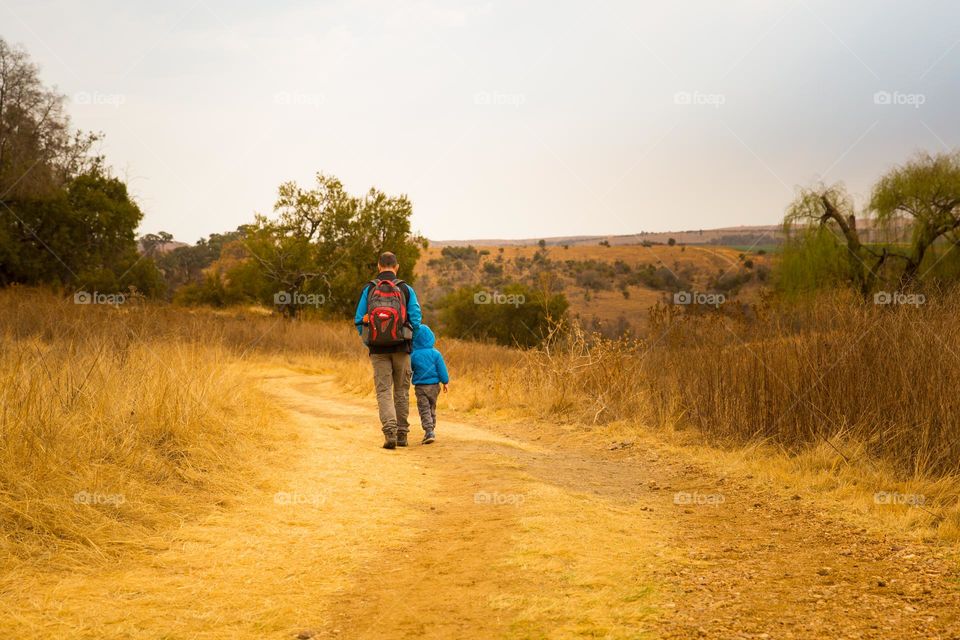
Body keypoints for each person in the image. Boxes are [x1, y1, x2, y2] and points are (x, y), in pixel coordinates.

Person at [354, 252, 422, 449]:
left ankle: (389, 432)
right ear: (397, 267)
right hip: (402, 348)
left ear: (378, 266)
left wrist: (371, 341)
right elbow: (416, 319)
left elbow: (359, 320)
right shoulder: (405, 289)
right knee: (401, 391)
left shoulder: (369, 289)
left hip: (378, 349)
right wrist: (408, 340)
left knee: (383, 390)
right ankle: (402, 434)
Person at [410, 324, 449, 444]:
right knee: (432, 407)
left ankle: (429, 431)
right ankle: (432, 428)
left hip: (421, 387)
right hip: (434, 386)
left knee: (424, 409)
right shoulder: (436, 354)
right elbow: (442, 369)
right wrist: (445, 382)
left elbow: (410, 370)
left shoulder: (413, 355)